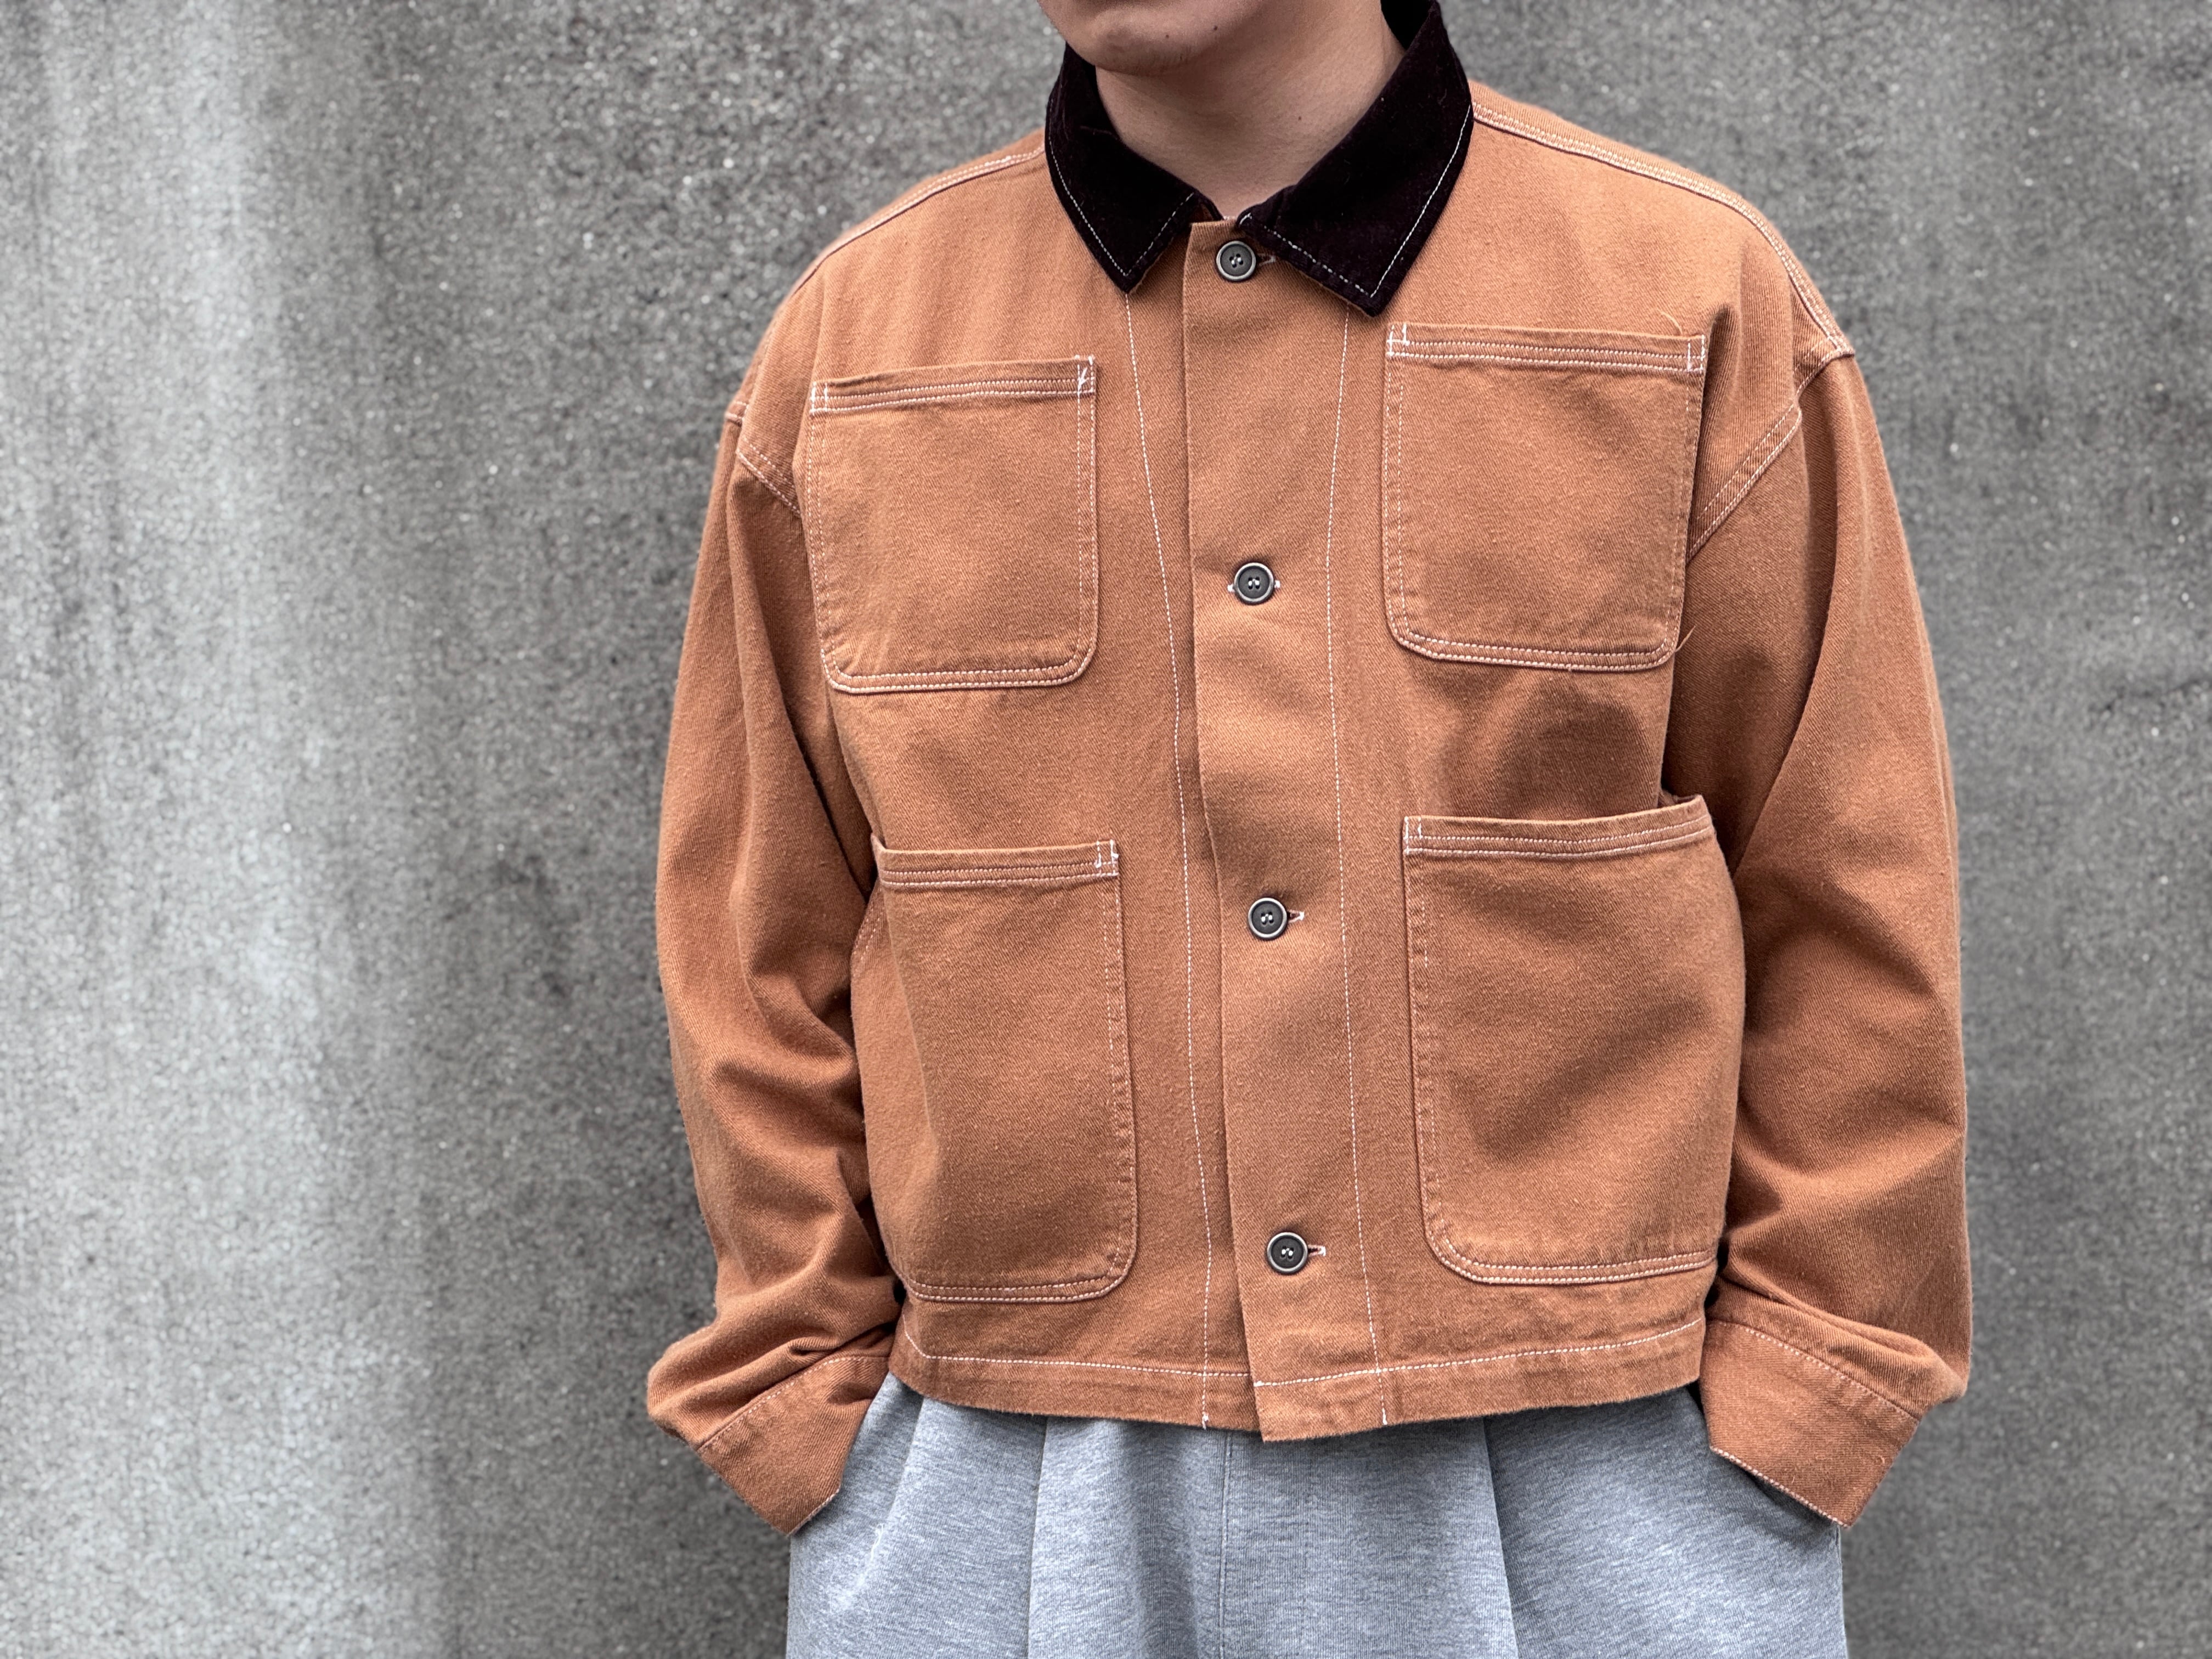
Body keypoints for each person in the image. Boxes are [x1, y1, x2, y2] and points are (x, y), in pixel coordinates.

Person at [645, 0, 1972, 1651]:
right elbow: (756, 926)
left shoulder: (1682, 297)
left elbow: (1846, 888)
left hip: (1590, 1467)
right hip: (1005, 1477)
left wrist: (1802, 1402)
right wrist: (811, 1414)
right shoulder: (859, 347)